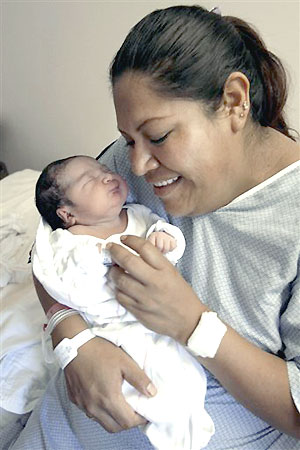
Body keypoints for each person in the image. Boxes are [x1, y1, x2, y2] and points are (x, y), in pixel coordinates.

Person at [8, 4, 300, 449]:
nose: (139, 166)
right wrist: (72, 341)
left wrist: (192, 323)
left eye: (159, 137)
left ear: (235, 102)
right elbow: (49, 251)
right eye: (129, 140)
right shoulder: (124, 167)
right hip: (62, 429)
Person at [32, 154, 214, 449]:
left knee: (186, 375)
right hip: (108, 330)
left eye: (103, 169)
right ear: (67, 214)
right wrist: (106, 254)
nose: (106, 176)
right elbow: (63, 274)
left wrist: (165, 239)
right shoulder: (69, 240)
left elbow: (164, 231)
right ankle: (166, 424)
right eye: (89, 179)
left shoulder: (138, 214)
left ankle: (186, 422)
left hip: (154, 321)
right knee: (139, 385)